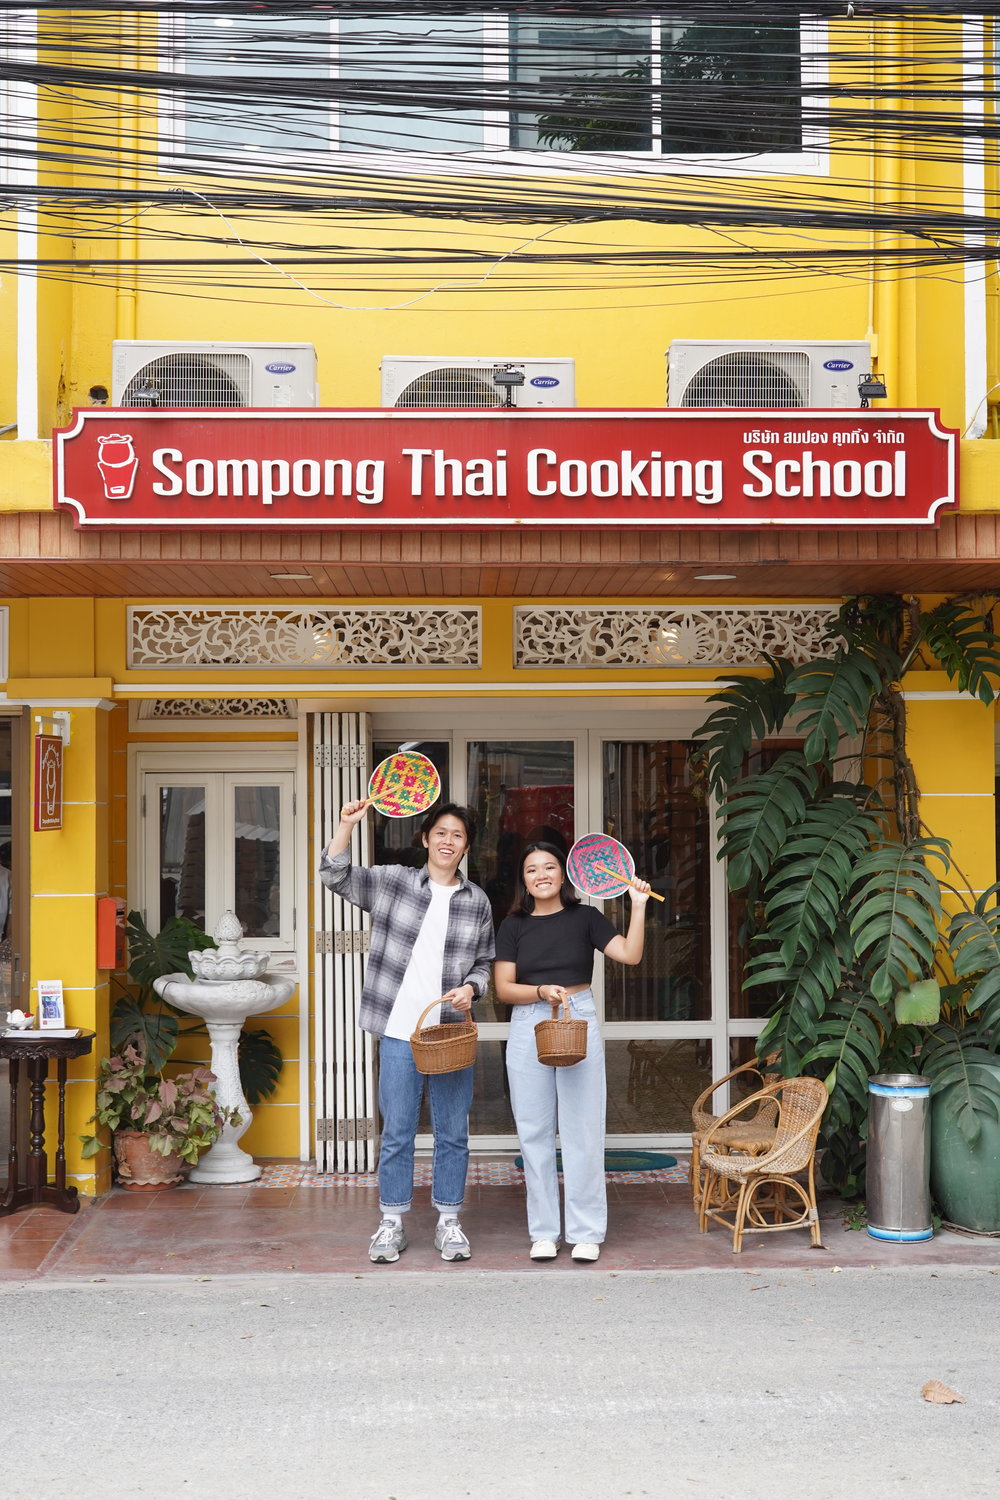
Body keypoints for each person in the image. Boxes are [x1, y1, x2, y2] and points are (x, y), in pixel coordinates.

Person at [320, 801, 495, 1264]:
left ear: (466, 846)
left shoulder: (476, 900)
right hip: (399, 1031)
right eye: (440, 832)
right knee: (397, 1131)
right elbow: (335, 876)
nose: (447, 840)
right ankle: (392, 1221)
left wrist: (472, 990)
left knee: (452, 1131)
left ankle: (449, 1221)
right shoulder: (394, 882)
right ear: (425, 839)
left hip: (450, 1033)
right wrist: (346, 825)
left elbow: (484, 962)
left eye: (457, 834)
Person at [494, 842, 650, 1263]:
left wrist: (637, 906)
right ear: (523, 880)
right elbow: (504, 988)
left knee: (583, 1129)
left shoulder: (586, 918)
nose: (541, 874)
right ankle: (544, 1232)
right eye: (531, 869)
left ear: (563, 875)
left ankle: (586, 1231)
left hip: (578, 1014)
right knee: (534, 1132)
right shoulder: (513, 925)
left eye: (549, 867)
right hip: (529, 1020)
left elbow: (630, 955)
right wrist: (541, 991)